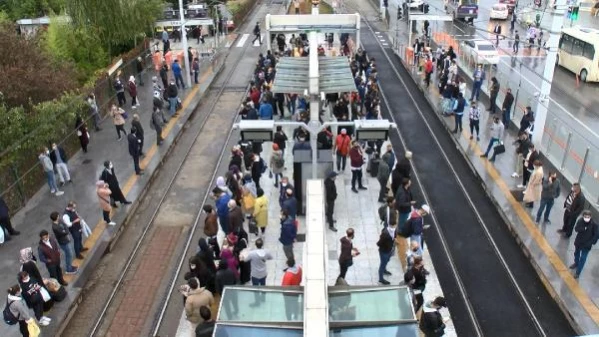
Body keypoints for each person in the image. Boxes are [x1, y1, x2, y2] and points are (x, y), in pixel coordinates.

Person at [570, 211, 599, 278]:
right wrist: (583, 229)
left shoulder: (594, 225)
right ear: (583, 216)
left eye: (588, 217)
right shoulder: (580, 221)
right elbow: (576, 229)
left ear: (591, 217)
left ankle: (578, 272)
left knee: (583, 258)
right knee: (576, 253)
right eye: (585, 217)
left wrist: (591, 243)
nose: (586, 218)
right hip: (579, 242)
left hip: (587, 245)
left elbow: (596, 235)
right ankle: (576, 263)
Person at [245, 238, 273, 305]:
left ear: (255, 245)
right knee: (263, 286)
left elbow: (246, 260)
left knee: (256, 289)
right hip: (263, 273)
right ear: (262, 245)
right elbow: (271, 257)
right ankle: (263, 299)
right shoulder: (266, 252)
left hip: (255, 274)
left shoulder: (252, 253)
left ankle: (257, 302)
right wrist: (265, 259)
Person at [377, 214, 398, 285]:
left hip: (390, 249)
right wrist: (386, 245)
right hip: (384, 251)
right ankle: (381, 278)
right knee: (382, 264)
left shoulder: (394, 230)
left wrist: (394, 239)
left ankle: (384, 270)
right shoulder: (385, 233)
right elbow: (379, 243)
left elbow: (394, 236)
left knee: (387, 261)